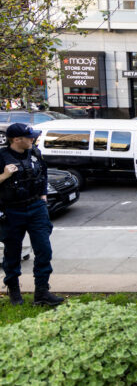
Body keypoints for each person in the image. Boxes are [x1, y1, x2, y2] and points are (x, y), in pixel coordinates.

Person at [0, 123, 63, 306]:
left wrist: (43, 195)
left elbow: (42, 172)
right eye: (29, 137)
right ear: (16, 140)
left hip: (36, 207)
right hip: (11, 210)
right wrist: (4, 175)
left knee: (44, 250)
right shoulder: (2, 157)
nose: (33, 139)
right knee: (12, 253)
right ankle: (14, 292)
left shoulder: (34, 152)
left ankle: (42, 293)